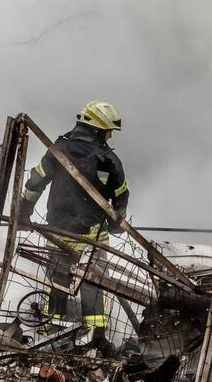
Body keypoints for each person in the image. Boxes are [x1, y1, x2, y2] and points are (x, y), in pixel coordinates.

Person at [18, 100, 129, 336]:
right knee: (94, 284)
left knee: (58, 282)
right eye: (109, 131)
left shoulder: (58, 150)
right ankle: (96, 337)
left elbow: (36, 182)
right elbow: (120, 196)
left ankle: (53, 331)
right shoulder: (108, 160)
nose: (110, 137)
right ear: (99, 128)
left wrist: (24, 210)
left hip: (57, 231)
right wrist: (115, 225)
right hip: (92, 237)